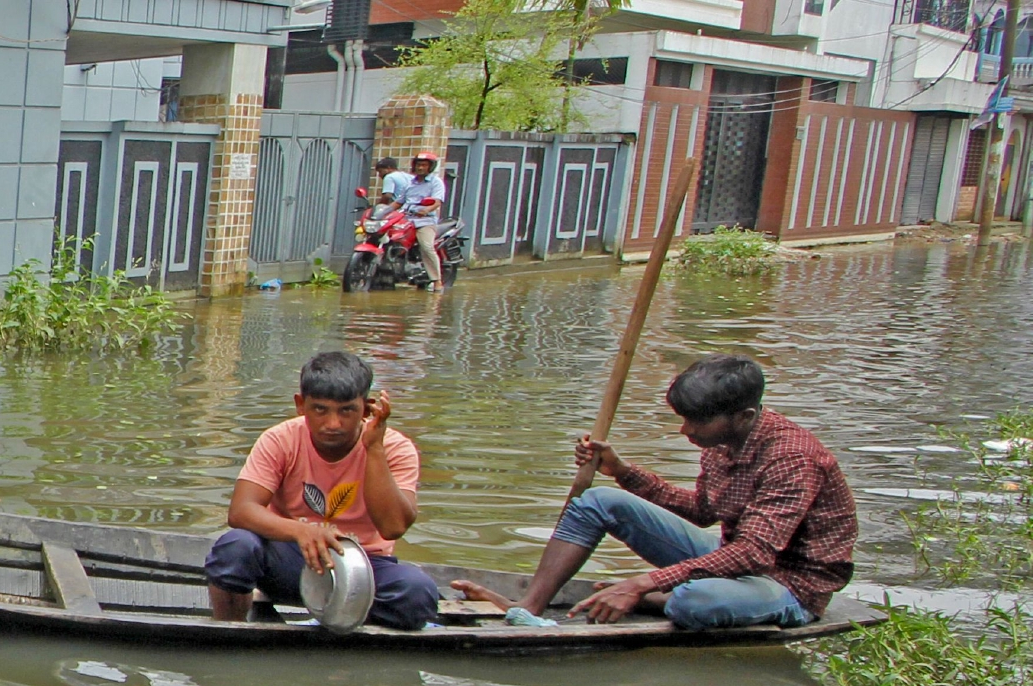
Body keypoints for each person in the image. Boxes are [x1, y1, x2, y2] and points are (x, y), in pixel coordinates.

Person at [452, 355, 857, 630]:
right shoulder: (722, 444)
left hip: (790, 586)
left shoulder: (792, 458)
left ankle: (658, 597)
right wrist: (622, 472)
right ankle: (530, 608)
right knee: (596, 501)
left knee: (697, 602)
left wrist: (642, 584)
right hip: (735, 561)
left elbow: (754, 553)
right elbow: (702, 511)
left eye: (697, 422)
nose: (687, 432)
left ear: (744, 417)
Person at [205, 351, 441, 630]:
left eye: (346, 411)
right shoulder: (280, 439)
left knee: (418, 594)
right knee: (235, 548)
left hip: (364, 567)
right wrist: (302, 531)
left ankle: (344, 623)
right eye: (320, 410)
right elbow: (242, 512)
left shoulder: (395, 448)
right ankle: (229, 632)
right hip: (294, 560)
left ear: (366, 409)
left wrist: (374, 449)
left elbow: (393, 527)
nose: (333, 424)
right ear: (300, 405)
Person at [400, 152, 447, 292]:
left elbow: (437, 202)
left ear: (430, 167)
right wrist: (381, 212)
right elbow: (398, 202)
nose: (420, 168)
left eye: (424, 165)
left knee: (426, 246)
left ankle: (437, 280)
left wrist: (426, 210)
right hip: (406, 219)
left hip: (424, 221)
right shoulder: (409, 183)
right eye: (418, 164)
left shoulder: (435, 182)